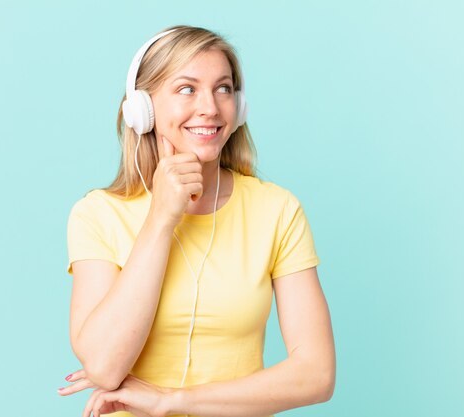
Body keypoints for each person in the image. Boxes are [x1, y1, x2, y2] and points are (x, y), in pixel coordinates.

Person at [58, 25, 336, 417]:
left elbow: (316, 374)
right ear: (143, 108)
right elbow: (104, 367)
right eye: (187, 89)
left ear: (239, 108)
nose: (210, 107)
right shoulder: (97, 214)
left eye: (223, 88)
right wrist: (161, 219)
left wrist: (171, 401)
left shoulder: (276, 210)